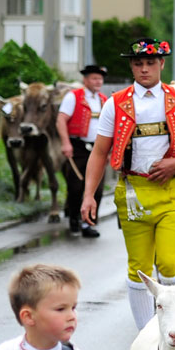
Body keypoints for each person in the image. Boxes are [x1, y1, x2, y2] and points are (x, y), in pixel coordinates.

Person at [80, 39, 175, 329]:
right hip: (132, 192)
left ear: (161, 64)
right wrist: (88, 195)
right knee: (138, 267)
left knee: (168, 263)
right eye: (138, 63)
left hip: (174, 189)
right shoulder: (116, 103)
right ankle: (146, 334)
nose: (144, 69)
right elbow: (100, 152)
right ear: (131, 66)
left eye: (150, 62)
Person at [56, 64, 109, 238]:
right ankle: (74, 219)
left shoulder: (104, 100)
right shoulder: (73, 97)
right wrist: (65, 144)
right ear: (85, 80)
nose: (98, 81)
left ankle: (89, 223)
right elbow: (61, 120)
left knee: (98, 188)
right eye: (94, 78)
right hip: (78, 148)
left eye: (100, 79)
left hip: (98, 148)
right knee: (76, 186)